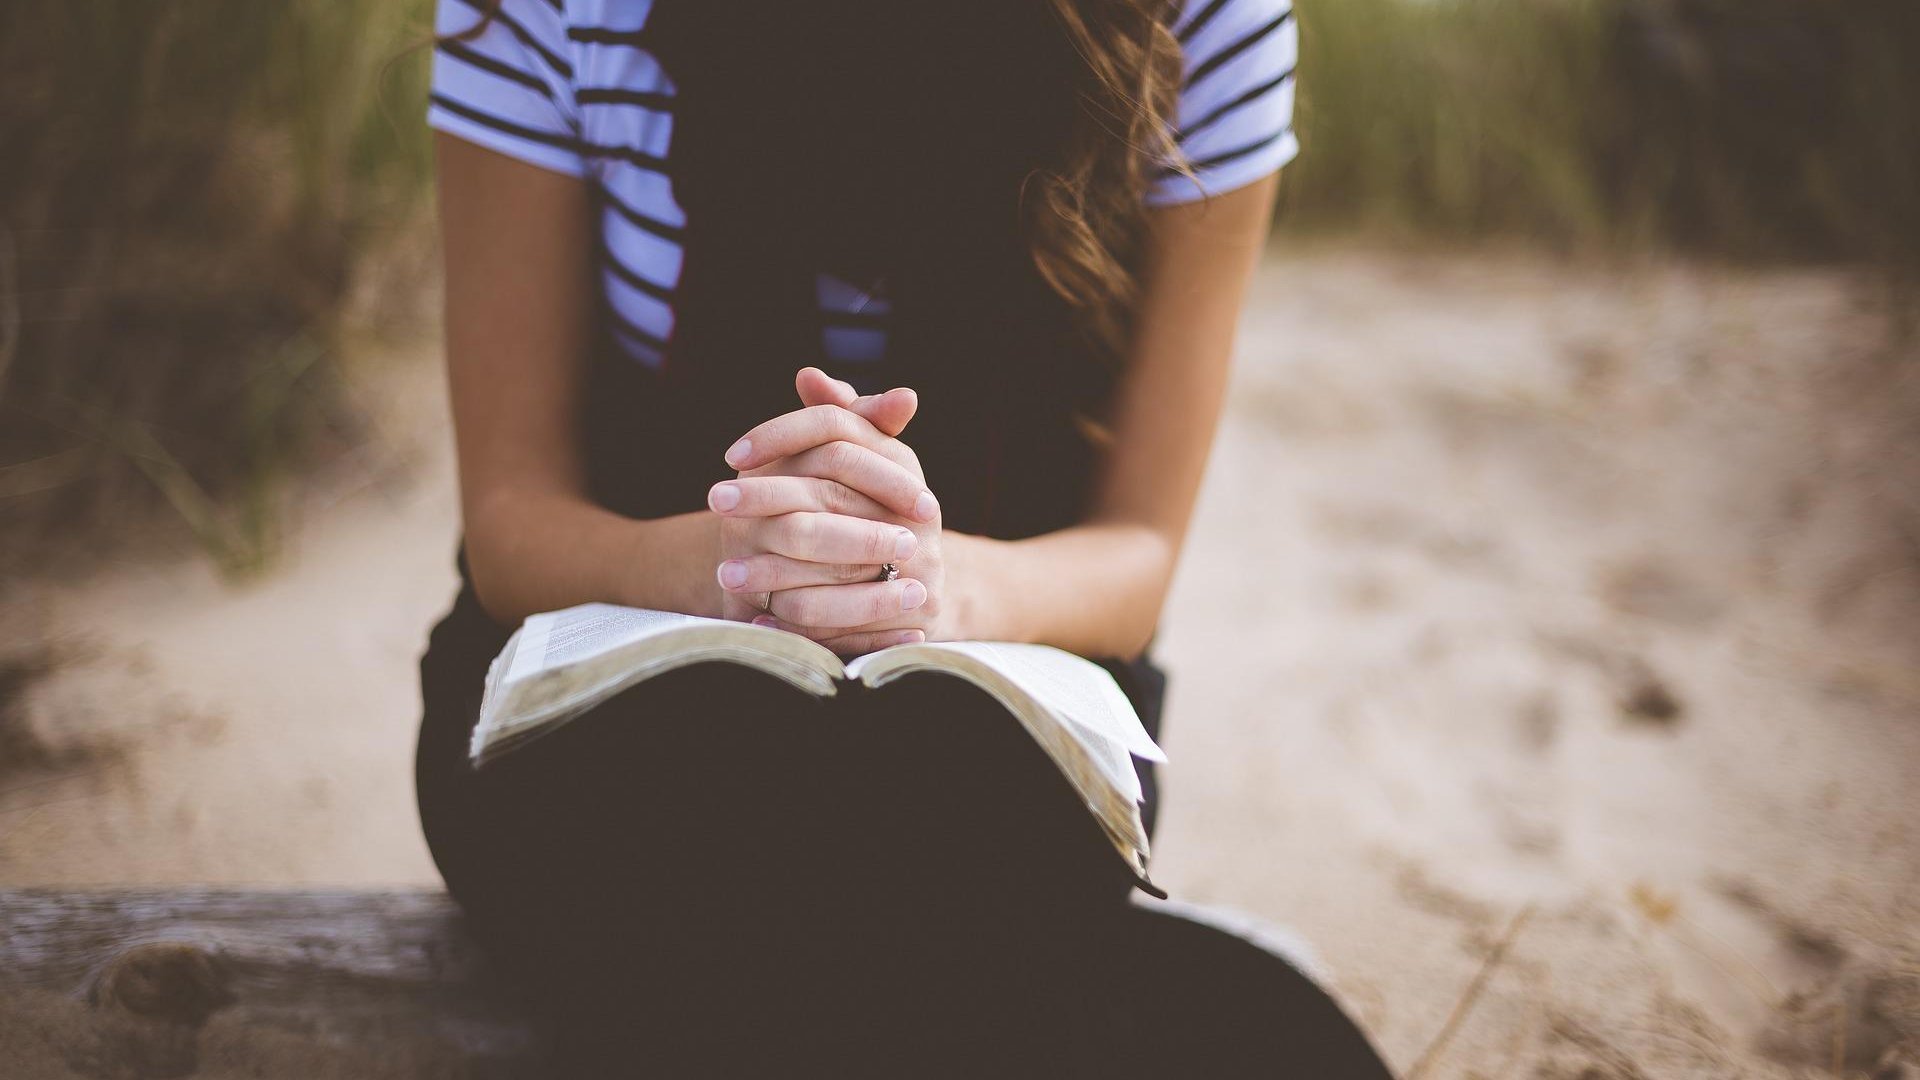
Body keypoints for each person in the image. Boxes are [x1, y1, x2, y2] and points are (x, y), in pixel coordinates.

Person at [414, 0, 1394, 1073]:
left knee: (934, 843)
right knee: (726, 859)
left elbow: (1138, 552)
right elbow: (512, 522)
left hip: (1002, 687)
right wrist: (738, 566)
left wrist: (924, 584)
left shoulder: (1206, 15)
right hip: (610, 668)